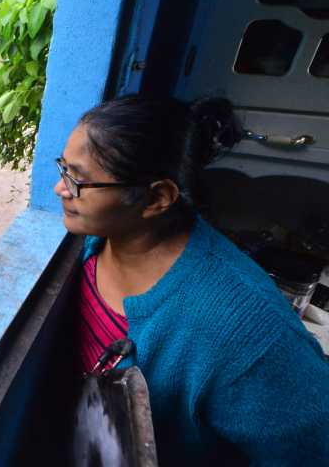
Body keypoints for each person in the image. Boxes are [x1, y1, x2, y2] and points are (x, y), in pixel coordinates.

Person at [53, 95, 329, 466]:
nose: (61, 189)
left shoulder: (247, 332)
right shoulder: (98, 238)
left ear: (157, 198)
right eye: (62, 169)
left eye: (77, 180)